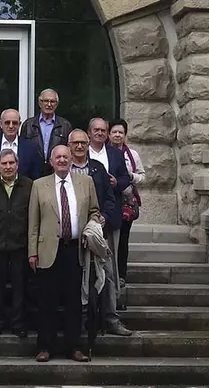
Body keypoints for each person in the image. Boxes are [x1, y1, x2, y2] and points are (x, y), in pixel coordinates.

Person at [28, 145, 101, 363]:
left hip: (76, 249)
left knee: (74, 301)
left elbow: (94, 211)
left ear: (71, 159)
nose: (61, 160)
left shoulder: (85, 182)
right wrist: (32, 252)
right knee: (46, 301)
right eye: (57, 157)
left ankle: (74, 347)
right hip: (48, 250)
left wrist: (95, 223)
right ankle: (45, 347)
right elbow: (33, 222)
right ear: (51, 161)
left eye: (65, 157)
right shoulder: (39, 185)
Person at [68, 129, 132, 336]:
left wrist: (103, 217)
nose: (79, 146)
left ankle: (111, 318)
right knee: (78, 277)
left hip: (99, 232)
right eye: (75, 143)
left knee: (108, 275)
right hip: (72, 234)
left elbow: (110, 198)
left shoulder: (97, 168)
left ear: (88, 144)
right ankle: (83, 321)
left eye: (83, 143)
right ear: (69, 145)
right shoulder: (62, 168)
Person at [0, 149, 33, 339]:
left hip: (20, 244)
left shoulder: (29, 186)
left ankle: (18, 323)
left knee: (20, 286)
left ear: (17, 165)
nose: (8, 167)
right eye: (4, 164)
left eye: (11, 163)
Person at [108, 118, 145, 286]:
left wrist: (130, 176)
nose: (117, 135)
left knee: (123, 238)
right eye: (114, 132)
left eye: (120, 132)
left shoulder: (132, 155)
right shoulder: (104, 153)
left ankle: (121, 274)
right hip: (109, 200)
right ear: (109, 134)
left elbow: (142, 176)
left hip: (126, 202)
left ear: (125, 135)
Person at [0, 109, 42, 190]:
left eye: (15, 123)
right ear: (1, 124)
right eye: (7, 122)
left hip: (23, 198)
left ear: (19, 124)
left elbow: (35, 178)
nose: (11, 126)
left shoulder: (31, 147)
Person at [20, 88, 72, 176]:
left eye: (52, 102)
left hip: (56, 171)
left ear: (56, 104)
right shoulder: (28, 125)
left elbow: (69, 150)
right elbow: (22, 149)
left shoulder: (65, 125)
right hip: (33, 171)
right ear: (40, 103)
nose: (49, 104)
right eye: (46, 101)